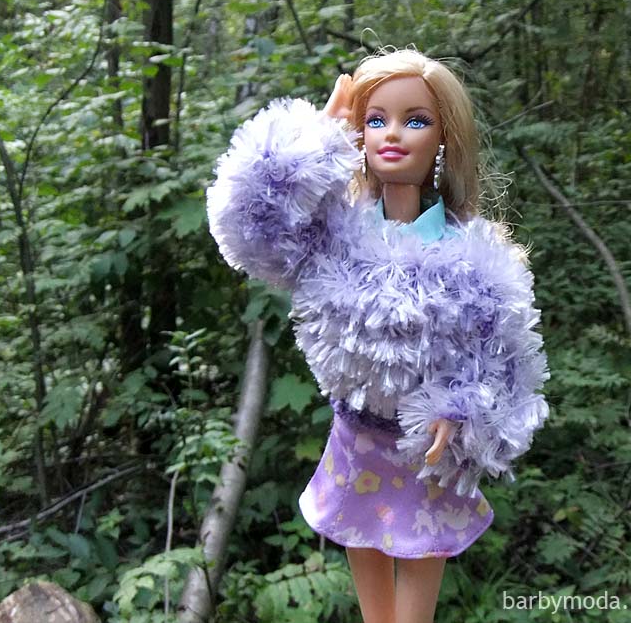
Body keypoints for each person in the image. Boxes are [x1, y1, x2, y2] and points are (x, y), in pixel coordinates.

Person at [207, 48, 549, 623]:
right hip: (355, 437)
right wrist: (316, 137)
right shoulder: (332, 238)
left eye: (415, 120)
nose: (392, 133)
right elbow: (247, 224)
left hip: (426, 451)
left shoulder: (472, 256)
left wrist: (462, 410)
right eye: (374, 119)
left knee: (422, 561)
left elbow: (505, 357)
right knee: (362, 550)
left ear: (443, 138)